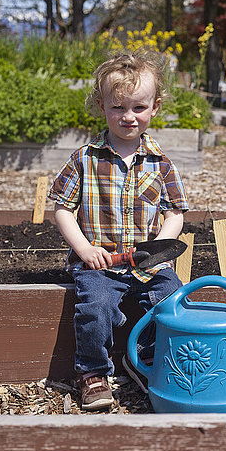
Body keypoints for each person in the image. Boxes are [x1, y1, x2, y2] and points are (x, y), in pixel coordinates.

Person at [48, 51, 189, 411]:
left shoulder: (162, 164)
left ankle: (144, 360)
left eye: (138, 108)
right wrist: (84, 249)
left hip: (147, 263)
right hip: (101, 263)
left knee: (172, 300)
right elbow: (62, 209)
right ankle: (92, 373)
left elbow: (174, 213)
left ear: (154, 108)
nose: (128, 117)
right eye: (118, 108)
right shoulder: (85, 158)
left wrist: (158, 249)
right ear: (102, 105)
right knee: (95, 307)